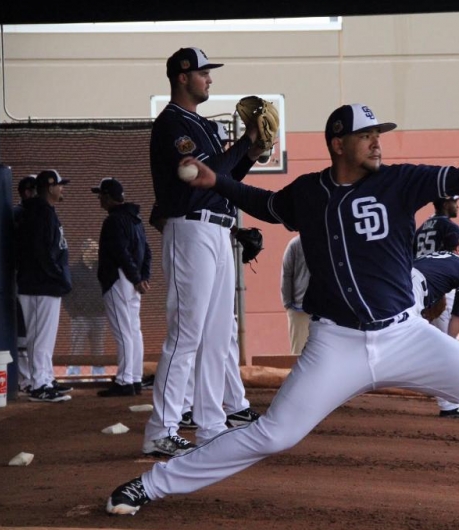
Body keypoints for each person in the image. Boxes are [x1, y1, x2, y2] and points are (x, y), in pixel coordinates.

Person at [106, 103, 459, 530]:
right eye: (366, 135)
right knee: (274, 434)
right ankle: (149, 485)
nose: (376, 143)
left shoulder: (400, 182)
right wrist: (220, 180)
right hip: (336, 344)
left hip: (406, 335)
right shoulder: (307, 192)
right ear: (338, 141)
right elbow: (267, 204)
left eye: (378, 135)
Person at [142, 47, 266, 456]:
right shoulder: (172, 124)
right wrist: (245, 139)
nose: (210, 79)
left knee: (217, 336)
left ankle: (212, 423)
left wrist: (249, 151)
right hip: (189, 229)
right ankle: (161, 428)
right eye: (203, 73)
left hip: (218, 231)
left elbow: (224, 176)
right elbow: (196, 173)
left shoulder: (206, 127)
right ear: (182, 77)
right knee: (187, 333)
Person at [15, 169, 73, 403]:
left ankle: (45, 379)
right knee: (39, 338)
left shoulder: (43, 211)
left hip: (43, 284)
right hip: (40, 284)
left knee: (43, 338)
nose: (62, 189)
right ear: (49, 187)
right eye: (59, 185)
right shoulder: (39, 212)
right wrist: (57, 275)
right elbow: (41, 252)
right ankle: (39, 384)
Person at [90, 178, 151, 397]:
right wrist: (143, 277)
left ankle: (125, 380)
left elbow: (120, 252)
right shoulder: (135, 219)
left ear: (108, 196)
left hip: (119, 279)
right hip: (131, 282)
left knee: (124, 332)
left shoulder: (114, 221)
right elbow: (147, 251)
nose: (99, 199)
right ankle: (134, 378)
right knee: (133, 330)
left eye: (100, 195)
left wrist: (136, 277)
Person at [412, 231, 459, 418]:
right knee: (444, 352)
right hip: (414, 292)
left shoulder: (429, 258)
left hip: (398, 283)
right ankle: (449, 405)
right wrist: (450, 346)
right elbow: (458, 315)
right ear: (458, 249)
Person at [62, 238, 107, 377]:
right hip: (80, 316)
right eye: (92, 250)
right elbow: (67, 294)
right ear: (84, 251)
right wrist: (73, 313)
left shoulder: (101, 270)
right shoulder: (74, 270)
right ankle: (73, 374)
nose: (95, 253)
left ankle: (98, 375)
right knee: (77, 347)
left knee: (98, 348)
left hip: (99, 315)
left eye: (97, 250)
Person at [13, 174, 37, 393]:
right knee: (23, 330)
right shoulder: (19, 213)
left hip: (33, 280)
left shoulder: (41, 213)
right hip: (20, 278)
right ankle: (26, 379)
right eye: (30, 190)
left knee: (36, 331)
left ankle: (37, 377)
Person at [280, 234, 310, 355]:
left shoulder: (326, 241)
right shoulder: (295, 244)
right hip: (299, 308)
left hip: (323, 310)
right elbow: (286, 274)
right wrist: (288, 304)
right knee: (299, 352)